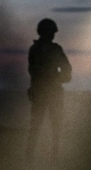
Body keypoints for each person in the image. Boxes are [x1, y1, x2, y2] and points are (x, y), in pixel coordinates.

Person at [26, 18, 73, 159]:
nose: (52, 35)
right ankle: (44, 156)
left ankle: (37, 156)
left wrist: (55, 79)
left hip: (46, 91)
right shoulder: (51, 50)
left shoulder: (38, 49)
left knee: (46, 126)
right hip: (47, 91)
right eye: (51, 32)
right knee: (48, 126)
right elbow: (33, 71)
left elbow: (66, 70)